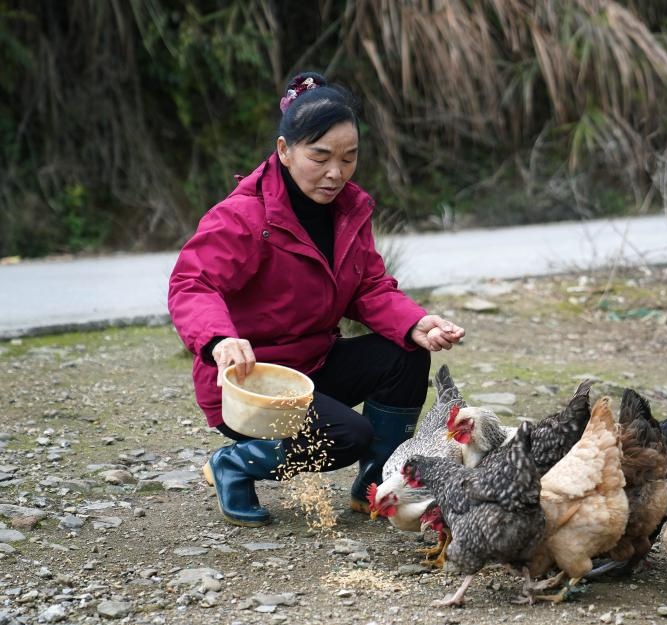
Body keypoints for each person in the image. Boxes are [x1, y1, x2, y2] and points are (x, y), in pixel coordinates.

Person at [167, 71, 464, 527]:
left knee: (406, 353)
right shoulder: (245, 216)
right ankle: (235, 464)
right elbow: (193, 283)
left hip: (314, 367)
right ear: (284, 151)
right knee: (348, 434)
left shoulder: (349, 211)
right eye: (320, 156)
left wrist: (415, 322)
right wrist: (219, 340)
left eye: (349, 158)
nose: (336, 173)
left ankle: (376, 486)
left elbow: (369, 288)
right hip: (252, 384)